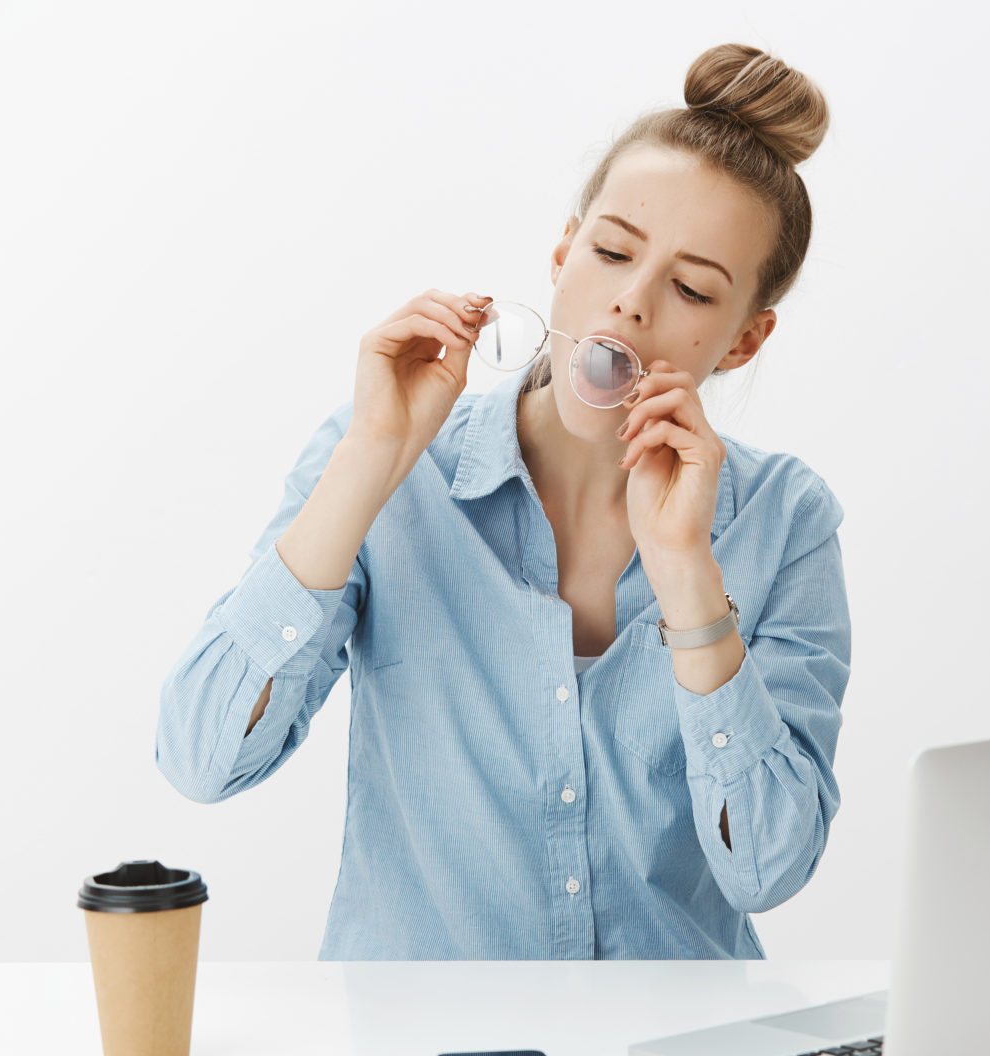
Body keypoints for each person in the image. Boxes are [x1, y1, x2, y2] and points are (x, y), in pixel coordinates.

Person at [155, 44, 850, 960]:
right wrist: (372, 463)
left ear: (743, 341)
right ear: (562, 256)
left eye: (690, 288)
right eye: (609, 252)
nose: (629, 305)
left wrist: (687, 576)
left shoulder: (786, 520)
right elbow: (202, 761)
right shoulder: (387, 466)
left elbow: (769, 869)